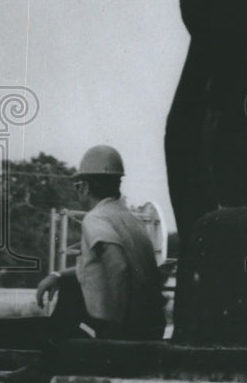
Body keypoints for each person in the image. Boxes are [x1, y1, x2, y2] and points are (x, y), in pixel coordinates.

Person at [35, 144, 165, 341]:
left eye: (77, 187)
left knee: (71, 293)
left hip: (126, 329)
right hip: (151, 323)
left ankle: (49, 360)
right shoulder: (131, 219)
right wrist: (58, 275)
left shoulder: (95, 218)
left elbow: (118, 266)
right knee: (71, 284)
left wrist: (114, 330)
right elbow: (96, 266)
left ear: (85, 187)